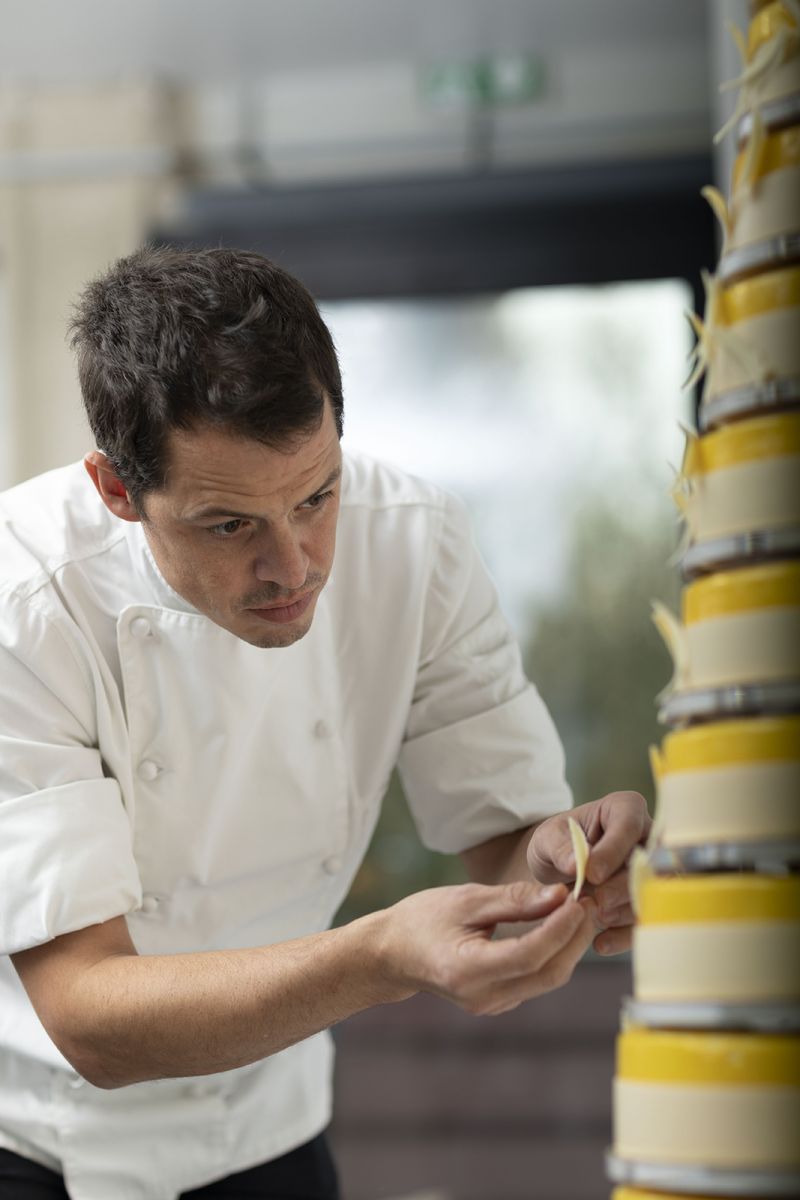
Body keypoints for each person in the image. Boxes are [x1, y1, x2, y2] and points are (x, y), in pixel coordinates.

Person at [0, 246, 649, 1200]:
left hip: (274, 1117)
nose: (294, 565)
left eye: (316, 497)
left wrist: (565, 863)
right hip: (48, 1142)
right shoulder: (26, 602)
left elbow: (505, 843)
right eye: (230, 525)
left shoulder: (416, 542)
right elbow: (90, 1015)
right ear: (117, 491)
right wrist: (381, 957)